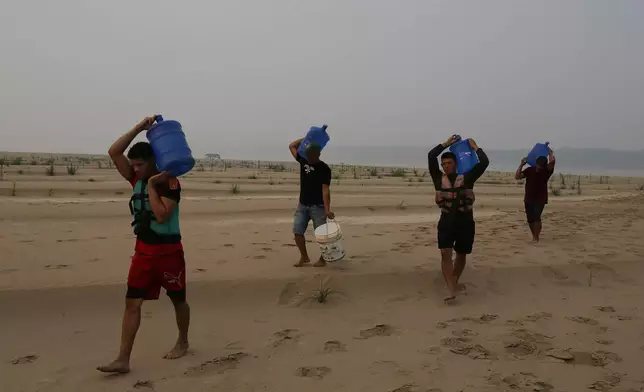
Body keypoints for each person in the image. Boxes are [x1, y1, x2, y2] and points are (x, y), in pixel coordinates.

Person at [98, 116, 190, 374]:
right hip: (143, 252)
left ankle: (183, 341)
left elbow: (162, 215)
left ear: (153, 163)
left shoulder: (170, 183)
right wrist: (139, 128)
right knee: (132, 303)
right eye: (133, 165)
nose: (134, 169)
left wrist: (150, 185)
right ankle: (123, 359)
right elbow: (114, 152)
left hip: (169, 252)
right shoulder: (135, 178)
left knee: (178, 300)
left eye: (139, 165)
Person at [428, 136, 489, 302]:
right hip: (446, 220)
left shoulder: (467, 178)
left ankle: (453, 280)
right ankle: (450, 289)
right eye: (443, 164)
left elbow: (484, 163)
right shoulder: (438, 178)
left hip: (465, 221)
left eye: (449, 163)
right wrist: (447, 143)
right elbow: (431, 155)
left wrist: (475, 147)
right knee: (445, 252)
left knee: (461, 254)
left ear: (456, 164)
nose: (446, 166)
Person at [288, 137, 334, 267]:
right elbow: (292, 146)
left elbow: (325, 190)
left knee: (322, 236)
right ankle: (304, 257)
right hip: (302, 205)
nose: (308, 156)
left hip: (318, 206)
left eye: (311, 154)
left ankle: (323, 258)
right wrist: (307, 137)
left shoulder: (324, 169)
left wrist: (327, 210)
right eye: (307, 153)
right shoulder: (303, 161)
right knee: (297, 232)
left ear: (318, 154)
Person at [515, 147, 556, 242]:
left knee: (537, 217)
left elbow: (552, 163)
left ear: (544, 166)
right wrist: (521, 164)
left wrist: (550, 153)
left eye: (540, 167)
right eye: (538, 166)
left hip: (540, 198)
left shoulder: (547, 171)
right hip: (529, 197)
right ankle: (534, 234)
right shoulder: (530, 170)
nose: (538, 168)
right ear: (536, 163)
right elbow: (517, 176)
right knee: (530, 219)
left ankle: (536, 237)